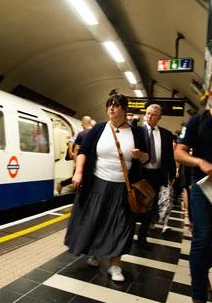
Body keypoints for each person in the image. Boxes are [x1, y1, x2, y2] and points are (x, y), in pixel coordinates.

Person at [64, 94, 149, 282]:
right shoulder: (99, 129)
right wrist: (78, 172)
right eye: (109, 105)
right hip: (97, 184)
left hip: (123, 188)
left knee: (121, 225)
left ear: (124, 109)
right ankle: (95, 252)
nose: (111, 109)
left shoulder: (137, 133)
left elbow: (147, 158)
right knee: (96, 220)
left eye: (116, 106)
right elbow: (83, 152)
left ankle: (115, 265)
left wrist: (140, 155)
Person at [175, 73, 212, 303]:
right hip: (201, 187)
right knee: (202, 236)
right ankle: (198, 296)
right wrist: (200, 162)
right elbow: (179, 152)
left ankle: (200, 268)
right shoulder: (198, 121)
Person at [137, 104, 176, 246]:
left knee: (150, 207)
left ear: (159, 117)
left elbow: (169, 156)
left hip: (156, 175)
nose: (149, 116)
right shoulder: (138, 131)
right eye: (147, 113)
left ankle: (142, 237)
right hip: (140, 175)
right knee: (135, 204)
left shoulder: (166, 134)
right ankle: (127, 235)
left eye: (153, 114)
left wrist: (172, 174)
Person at [56, 116, 93, 194]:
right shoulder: (95, 133)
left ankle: (65, 185)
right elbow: (74, 145)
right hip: (88, 161)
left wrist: (75, 161)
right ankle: (66, 185)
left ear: (83, 124)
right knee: (83, 177)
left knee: (81, 176)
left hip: (81, 160)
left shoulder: (81, 133)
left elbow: (76, 148)